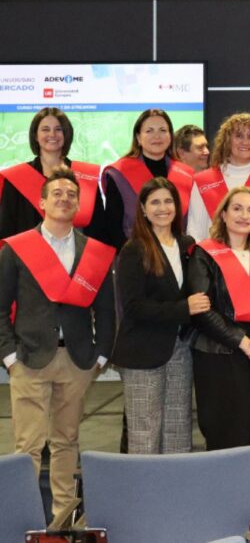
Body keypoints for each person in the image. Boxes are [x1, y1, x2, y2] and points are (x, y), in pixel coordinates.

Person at [0, 169, 116, 519]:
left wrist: (101, 355)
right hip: (29, 359)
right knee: (28, 447)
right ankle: (26, 519)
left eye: (71, 194)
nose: (64, 198)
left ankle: (63, 519)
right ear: (42, 202)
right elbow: (0, 307)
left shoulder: (92, 251)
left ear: (78, 204)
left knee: (67, 443)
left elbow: (107, 309)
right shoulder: (17, 248)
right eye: (57, 194)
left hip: (78, 361)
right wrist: (8, 356)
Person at [188, 186, 250, 472]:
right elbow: (202, 310)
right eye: (237, 208)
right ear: (224, 214)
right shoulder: (204, 253)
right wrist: (241, 341)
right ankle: (226, 504)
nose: (244, 215)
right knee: (227, 430)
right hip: (220, 353)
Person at [112, 177, 205, 454]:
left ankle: (175, 494)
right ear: (142, 208)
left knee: (178, 429)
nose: (162, 208)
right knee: (145, 433)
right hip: (142, 352)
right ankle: (144, 496)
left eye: (168, 201)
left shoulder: (187, 244)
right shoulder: (134, 249)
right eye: (154, 202)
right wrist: (183, 309)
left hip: (180, 349)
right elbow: (134, 307)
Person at [0, 107, 104, 240]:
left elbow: (100, 229)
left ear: (66, 134)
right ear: (35, 136)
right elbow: (6, 229)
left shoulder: (86, 176)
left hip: (78, 257)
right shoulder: (16, 178)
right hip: (27, 256)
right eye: (45, 129)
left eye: (58, 129)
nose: (52, 134)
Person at [101, 109, 194, 250]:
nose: (157, 136)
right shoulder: (118, 174)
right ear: (138, 137)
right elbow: (112, 226)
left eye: (163, 130)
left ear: (170, 136)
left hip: (178, 254)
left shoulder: (187, 174)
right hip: (134, 255)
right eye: (149, 131)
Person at [188, 113, 250, 242]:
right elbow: (195, 231)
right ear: (227, 140)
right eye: (239, 135)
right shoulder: (204, 180)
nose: (245, 142)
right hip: (212, 259)